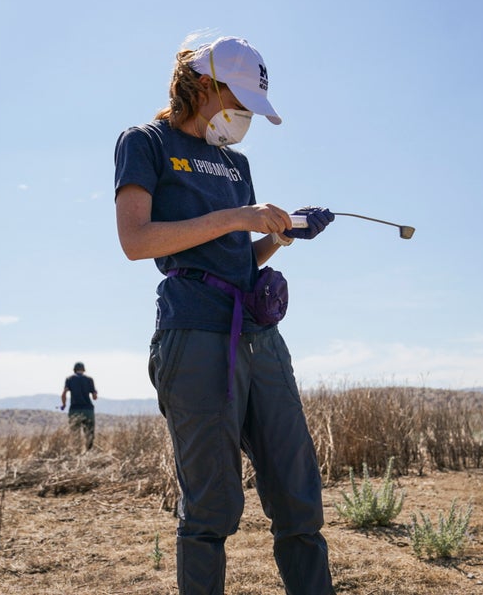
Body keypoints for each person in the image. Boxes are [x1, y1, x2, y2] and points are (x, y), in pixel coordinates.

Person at [114, 35, 336, 595]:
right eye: (238, 104)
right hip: (195, 334)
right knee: (211, 508)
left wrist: (281, 236)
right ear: (203, 84)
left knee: (298, 495)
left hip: (260, 336)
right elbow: (136, 241)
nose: (243, 120)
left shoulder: (236, 163)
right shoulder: (146, 142)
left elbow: (238, 257)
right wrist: (240, 217)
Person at [60, 361, 99, 450]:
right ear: (83, 370)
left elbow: (64, 393)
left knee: (75, 433)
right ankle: (89, 452)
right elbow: (95, 397)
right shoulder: (89, 379)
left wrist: (64, 404)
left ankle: (76, 451)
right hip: (88, 410)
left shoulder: (69, 379)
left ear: (74, 370)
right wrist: (95, 392)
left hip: (75, 410)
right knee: (89, 433)